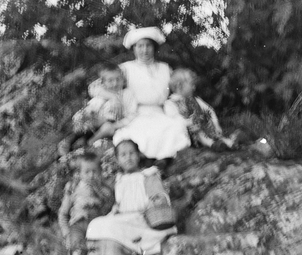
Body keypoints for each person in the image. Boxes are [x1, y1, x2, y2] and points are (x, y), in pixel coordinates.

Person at [86, 139, 177, 255]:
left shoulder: (147, 175)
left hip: (141, 219)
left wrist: (156, 200)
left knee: (112, 227)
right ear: (117, 159)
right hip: (124, 218)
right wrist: (115, 209)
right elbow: (120, 203)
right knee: (96, 224)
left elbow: (159, 196)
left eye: (131, 153)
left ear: (139, 155)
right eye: (123, 155)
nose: (128, 157)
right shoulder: (119, 180)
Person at [111, 27, 191, 162]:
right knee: (139, 133)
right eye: (140, 46)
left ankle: (165, 160)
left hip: (161, 112)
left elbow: (179, 88)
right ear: (134, 48)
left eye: (148, 45)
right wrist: (113, 97)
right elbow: (95, 87)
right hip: (136, 114)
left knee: (174, 128)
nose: (144, 50)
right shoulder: (125, 68)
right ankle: (147, 160)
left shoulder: (165, 68)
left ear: (154, 47)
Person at [57, 152, 112, 255]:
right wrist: (66, 232)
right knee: (77, 244)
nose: (91, 175)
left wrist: (100, 190)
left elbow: (110, 204)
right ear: (79, 173)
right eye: (87, 172)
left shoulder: (103, 188)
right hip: (78, 224)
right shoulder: (73, 188)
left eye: (94, 171)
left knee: (98, 246)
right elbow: (63, 212)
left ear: (100, 172)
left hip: (96, 224)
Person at [166, 67, 238, 150]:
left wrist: (216, 124)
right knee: (199, 133)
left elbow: (209, 110)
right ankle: (213, 144)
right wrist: (189, 124)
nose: (194, 87)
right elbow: (175, 121)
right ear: (179, 86)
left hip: (202, 128)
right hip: (186, 133)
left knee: (211, 131)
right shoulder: (170, 104)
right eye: (191, 84)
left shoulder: (195, 100)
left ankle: (228, 143)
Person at [61, 65, 126, 155]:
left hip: (107, 125)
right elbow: (92, 94)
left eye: (118, 80)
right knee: (83, 119)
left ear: (123, 80)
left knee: (104, 127)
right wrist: (88, 114)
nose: (115, 83)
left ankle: (85, 144)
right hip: (92, 121)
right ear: (103, 83)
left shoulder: (125, 95)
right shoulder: (101, 92)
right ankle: (70, 142)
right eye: (110, 81)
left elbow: (118, 117)